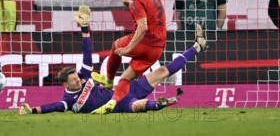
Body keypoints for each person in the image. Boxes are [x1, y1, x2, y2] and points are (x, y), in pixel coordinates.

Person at [18, 6, 208, 115]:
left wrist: (85, 28)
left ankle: (197, 46)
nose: (78, 79)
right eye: (74, 80)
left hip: (125, 89)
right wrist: (32, 110)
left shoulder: (84, 75)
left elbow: (87, 52)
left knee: (161, 72)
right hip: (120, 105)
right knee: (138, 106)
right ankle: (160, 103)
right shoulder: (69, 101)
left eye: (76, 76)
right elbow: (52, 107)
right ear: (65, 84)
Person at [91, 0, 167, 114]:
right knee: (126, 78)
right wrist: (131, 7)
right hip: (158, 48)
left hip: (144, 43)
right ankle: (112, 102)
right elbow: (150, 13)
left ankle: (108, 81)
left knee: (116, 45)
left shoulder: (137, 1)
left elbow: (143, 27)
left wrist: (128, 49)